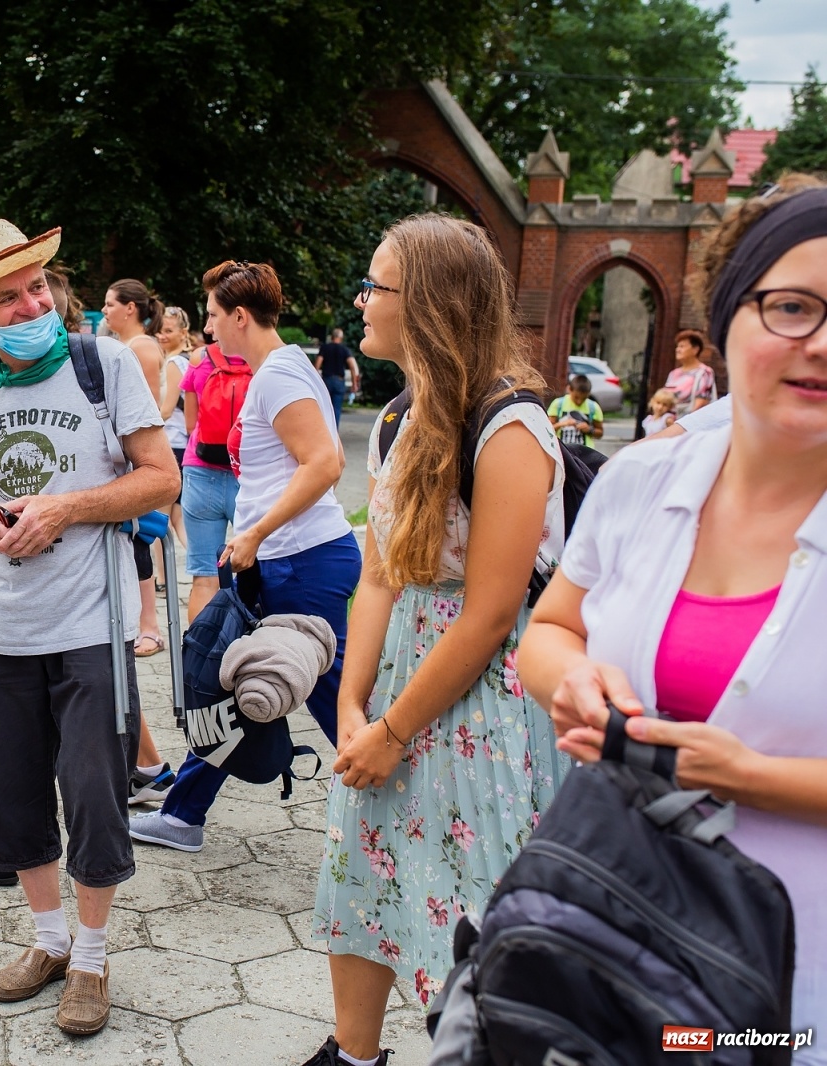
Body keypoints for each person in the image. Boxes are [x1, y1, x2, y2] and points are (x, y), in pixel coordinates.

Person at [517, 174, 827, 1059]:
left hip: (797, 989)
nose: (822, 343)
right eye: (794, 307)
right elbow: (550, 629)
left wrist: (752, 775)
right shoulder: (643, 478)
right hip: (619, 933)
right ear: (729, 317)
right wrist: (574, 681)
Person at [304, 215, 569, 1066]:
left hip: (483, 697)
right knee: (363, 869)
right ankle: (354, 1055)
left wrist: (393, 728)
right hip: (398, 688)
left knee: (484, 897)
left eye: (375, 284)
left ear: (425, 301)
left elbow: (492, 614)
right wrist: (352, 699)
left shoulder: (511, 428)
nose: (361, 300)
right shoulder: (395, 419)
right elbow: (381, 572)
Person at [0, 219, 177, 1034]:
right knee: (11, 795)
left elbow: (160, 479)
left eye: (39, 285)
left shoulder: (102, 366)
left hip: (89, 627)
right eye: (11, 295)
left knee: (96, 797)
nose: (35, 302)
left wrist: (67, 507)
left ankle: (95, 960)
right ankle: (47, 940)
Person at [129, 261, 359, 853]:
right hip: (291, 558)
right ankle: (183, 812)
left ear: (239, 316)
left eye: (210, 316)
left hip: (300, 561)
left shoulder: (279, 375)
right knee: (234, 679)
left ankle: (398, 800)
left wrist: (256, 533)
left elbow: (326, 465)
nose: (206, 329)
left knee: (324, 692)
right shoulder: (280, 370)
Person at [103, 278, 169, 658]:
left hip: (139, 461)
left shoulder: (140, 347)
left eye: (112, 304)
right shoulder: (127, 346)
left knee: (140, 539)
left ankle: (150, 627)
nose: (106, 310)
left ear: (131, 308)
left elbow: (141, 415)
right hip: (128, 461)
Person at [177, 337, 251, 622]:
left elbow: (189, 424)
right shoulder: (262, 359)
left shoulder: (199, 358)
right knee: (257, 571)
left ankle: (200, 657)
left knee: (205, 577)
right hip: (247, 475)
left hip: (200, 470)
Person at [156, 305, 194, 551]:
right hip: (186, 445)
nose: (162, 335)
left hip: (171, 444)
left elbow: (167, 409)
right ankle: (206, 566)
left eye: (169, 330)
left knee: (160, 518)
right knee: (177, 515)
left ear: (183, 332)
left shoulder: (174, 363)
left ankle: (161, 576)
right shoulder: (192, 360)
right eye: (160, 330)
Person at [665, 327, 718, 415]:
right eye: (677, 346)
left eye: (682, 346)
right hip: (669, 422)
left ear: (695, 349)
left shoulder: (704, 372)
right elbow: (664, 399)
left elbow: (701, 403)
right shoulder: (673, 374)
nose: (677, 350)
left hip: (690, 424)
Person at [315, 327, 361, 423]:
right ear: (341, 338)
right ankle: (334, 433)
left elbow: (318, 364)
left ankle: (325, 431)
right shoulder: (344, 350)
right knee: (336, 409)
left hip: (326, 380)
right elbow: (352, 366)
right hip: (339, 381)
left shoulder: (325, 348)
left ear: (332, 337)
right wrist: (354, 383)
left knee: (325, 407)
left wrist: (316, 380)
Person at [546, 373, 605, 448]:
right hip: (562, 451)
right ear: (569, 389)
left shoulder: (593, 407)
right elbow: (547, 430)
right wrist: (562, 424)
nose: (579, 402)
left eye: (583, 399)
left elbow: (600, 433)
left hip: (585, 454)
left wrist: (589, 429)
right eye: (576, 397)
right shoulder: (558, 404)